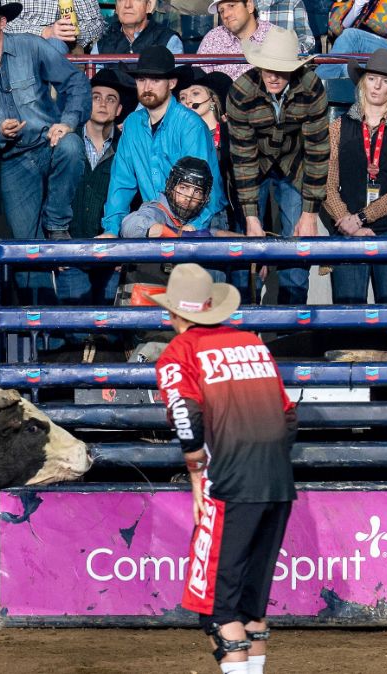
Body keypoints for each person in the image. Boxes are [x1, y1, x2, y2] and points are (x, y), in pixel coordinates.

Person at [153, 262, 297, 674]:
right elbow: (288, 415)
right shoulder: (252, 342)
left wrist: (196, 466)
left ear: (173, 314)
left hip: (230, 481)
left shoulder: (180, 352)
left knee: (219, 610)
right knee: (251, 605)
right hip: (277, 480)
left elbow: (185, 412)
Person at [0, 0, 88, 245]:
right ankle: (41, 282)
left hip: (49, 142)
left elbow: (76, 82)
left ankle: (57, 223)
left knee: (71, 145)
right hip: (11, 160)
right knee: (27, 245)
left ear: (2, 22)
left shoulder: (31, 46)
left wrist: (67, 122)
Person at [226, 26, 328, 305]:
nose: (273, 76)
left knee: (298, 247)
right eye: (268, 68)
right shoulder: (240, 93)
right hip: (253, 168)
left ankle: (291, 328)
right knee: (244, 250)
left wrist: (310, 213)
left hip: (295, 166)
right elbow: (243, 158)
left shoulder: (312, 87)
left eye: (281, 70)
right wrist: (251, 216)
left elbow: (318, 150)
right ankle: (243, 326)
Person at [324, 50, 387, 345]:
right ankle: (349, 389)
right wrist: (346, 221)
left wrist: (362, 218)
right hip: (347, 232)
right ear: (363, 82)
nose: (377, 86)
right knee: (348, 316)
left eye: (385, 81)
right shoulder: (338, 127)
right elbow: (327, 184)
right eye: (372, 78)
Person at [101, 47, 224, 237]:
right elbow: (121, 182)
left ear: (172, 83)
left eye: (155, 80)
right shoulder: (133, 124)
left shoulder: (190, 124)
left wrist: (195, 226)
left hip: (203, 217)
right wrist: (111, 230)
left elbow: (206, 186)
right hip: (157, 217)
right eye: (141, 80)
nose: (147, 87)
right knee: (132, 224)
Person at [58, 68, 133, 310]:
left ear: (119, 110)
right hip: (70, 250)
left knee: (109, 336)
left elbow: (138, 200)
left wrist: (126, 248)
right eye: (96, 97)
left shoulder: (128, 147)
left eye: (111, 99)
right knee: (73, 334)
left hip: (113, 255)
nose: (102, 104)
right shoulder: (66, 144)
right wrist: (55, 243)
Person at [177, 67, 238, 233]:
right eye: (182, 97)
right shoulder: (177, 138)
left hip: (223, 214)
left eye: (195, 93)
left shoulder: (230, 133)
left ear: (212, 100)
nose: (188, 100)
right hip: (185, 214)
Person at [197, 0, 269, 81]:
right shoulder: (213, 38)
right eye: (221, 11)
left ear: (249, 6)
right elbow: (199, 81)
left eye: (231, 6)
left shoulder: (274, 37)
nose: (226, 14)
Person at [3, 0, 105, 52]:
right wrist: (46, 32)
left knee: (56, 45)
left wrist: (70, 33)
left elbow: (96, 23)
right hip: (20, 46)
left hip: (65, 46)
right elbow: (4, 22)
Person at [92, 0, 183, 55]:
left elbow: (175, 84)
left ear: (148, 7)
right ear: (116, 8)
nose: (127, 5)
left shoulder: (169, 40)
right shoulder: (102, 44)